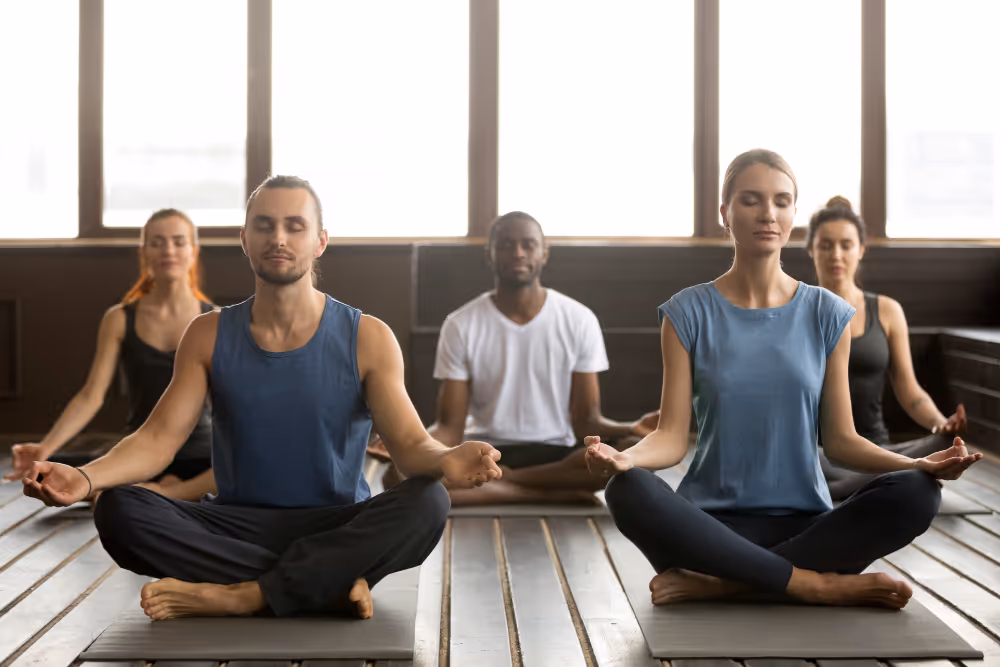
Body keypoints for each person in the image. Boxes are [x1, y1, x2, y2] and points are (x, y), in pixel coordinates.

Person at [20, 175, 502, 621]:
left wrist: (446, 460)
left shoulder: (368, 337)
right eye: (264, 226)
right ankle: (322, 582)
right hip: (234, 522)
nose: (279, 238)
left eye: (295, 226)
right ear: (244, 239)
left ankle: (246, 594)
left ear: (320, 242)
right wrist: (84, 478)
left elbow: (411, 447)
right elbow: (157, 440)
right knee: (119, 509)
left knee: (428, 501)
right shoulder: (207, 334)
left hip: (337, 523)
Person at [586, 150, 981, 610]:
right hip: (708, 529)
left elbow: (841, 442)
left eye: (781, 201)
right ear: (725, 213)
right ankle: (813, 585)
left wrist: (919, 466)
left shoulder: (826, 313)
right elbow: (671, 438)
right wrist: (623, 457)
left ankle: (727, 583)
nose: (768, 214)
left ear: (794, 212)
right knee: (627, 489)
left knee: (917, 493)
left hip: (806, 526)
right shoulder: (686, 312)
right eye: (751, 200)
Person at [371, 211, 657, 505]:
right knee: (397, 476)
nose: (518, 253)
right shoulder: (461, 323)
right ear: (490, 255)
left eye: (528, 244)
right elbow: (449, 427)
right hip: (485, 452)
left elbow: (587, 422)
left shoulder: (579, 319)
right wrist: (405, 444)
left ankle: (506, 485)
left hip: (555, 454)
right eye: (506, 245)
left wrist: (633, 428)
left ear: (544, 253)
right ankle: (546, 496)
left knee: (634, 451)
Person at [5, 209, 215, 500]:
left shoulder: (214, 320)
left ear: (194, 252)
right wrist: (46, 448)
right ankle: (160, 492)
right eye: (157, 242)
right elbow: (91, 396)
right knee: (76, 487)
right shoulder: (119, 318)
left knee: (241, 468)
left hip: (202, 454)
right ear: (144, 252)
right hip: (140, 452)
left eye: (179, 242)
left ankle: (170, 493)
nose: (169, 250)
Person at [807, 196, 967, 500]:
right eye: (826, 245)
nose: (836, 255)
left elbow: (909, 390)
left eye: (846, 244)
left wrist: (941, 425)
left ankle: (872, 479)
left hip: (877, 450)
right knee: (800, 459)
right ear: (811, 249)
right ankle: (899, 475)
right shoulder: (794, 310)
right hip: (817, 452)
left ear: (861, 250)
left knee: (939, 445)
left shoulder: (887, 311)